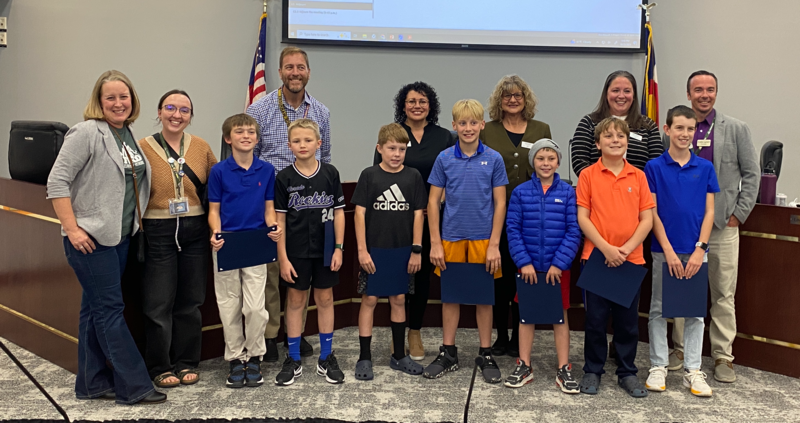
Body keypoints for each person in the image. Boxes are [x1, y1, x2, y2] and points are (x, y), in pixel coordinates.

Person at [46, 70, 165, 405]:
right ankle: (135, 386)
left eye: (123, 97)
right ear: (99, 102)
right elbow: (57, 183)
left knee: (94, 310)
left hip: (121, 237)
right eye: (110, 97)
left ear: (133, 101)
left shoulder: (127, 133)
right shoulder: (86, 132)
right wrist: (72, 229)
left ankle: (92, 383)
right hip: (89, 240)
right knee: (111, 310)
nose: (118, 103)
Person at [669, 71, 759, 383]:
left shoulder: (735, 129)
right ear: (688, 92)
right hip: (685, 228)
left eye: (710, 89)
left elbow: (752, 174)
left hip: (722, 227)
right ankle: (679, 350)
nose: (704, 95)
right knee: (682, 289)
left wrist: (739, 214)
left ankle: (723, 356)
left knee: (722, 293)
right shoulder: (679, 127)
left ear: (716, 93)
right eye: (698, 90)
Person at [247, 46, 331, 359]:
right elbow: (251, 159)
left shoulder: (321, 112)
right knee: (271, 272)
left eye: (300, 67)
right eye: (289, 67)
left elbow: (327, 157)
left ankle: (296, 333)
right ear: (280, 72)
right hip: (272, 202)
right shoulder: (261, 109)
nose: (295, 72)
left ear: (308, 71)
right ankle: (270, 335)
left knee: (302, 273)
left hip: (309, 204)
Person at [423, 100, 508, 383]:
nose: (468, 128)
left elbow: (500, 203)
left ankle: (485, 352)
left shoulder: (494, 159)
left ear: (482, 125)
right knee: (451, 297)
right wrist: (435, 242)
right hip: (451, 239)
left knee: (485, 299)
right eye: (463, 123)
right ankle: (448, 352)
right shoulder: (444, 158)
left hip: (484, 240)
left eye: (474, 123)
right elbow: (433, 202)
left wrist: (495, 243)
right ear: (454, 126)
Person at [137, 89, 217, 388]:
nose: (176, 114)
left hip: (195, 229)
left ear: (190, 116)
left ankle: (187, 362)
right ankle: (160, 365)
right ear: (158, 112)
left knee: (191, 301)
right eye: (170, 107)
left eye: (184, 110)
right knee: (158, 303)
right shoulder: (142, 147)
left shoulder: (201, 147)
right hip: (157, 230)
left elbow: (216, 187)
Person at [373, 81, 455, 360]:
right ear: (403, 105)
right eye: (411, 101)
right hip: (394, 215)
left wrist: (435, 201)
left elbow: (452, 174)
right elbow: (379, 175)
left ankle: (415, 331)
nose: (417, 106)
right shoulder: (394, 134)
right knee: (397, 272)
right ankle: (397, 330)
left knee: (421, 276)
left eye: (422, 101)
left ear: (430, 106)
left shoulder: (444, 136)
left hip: (431, 215)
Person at [576, 117, 654, 398]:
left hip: (630, 261)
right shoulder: (587, 175)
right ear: (597, 144)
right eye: (608, 136)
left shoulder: (639, 176)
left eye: (621, 136)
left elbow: (647, 219)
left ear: (627, 142)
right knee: (595, 321)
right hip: (596, 259)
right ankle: (593, 370)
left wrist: (626, 249)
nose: (615, 140)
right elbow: (583, 218)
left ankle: (627, 372)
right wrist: (606, 249)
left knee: (627, 322)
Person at [644, 106, 719, 397]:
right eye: (679, 128)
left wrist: (700, 249)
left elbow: (710, 211)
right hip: (665, 251)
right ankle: (658, 366)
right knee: (659, 309)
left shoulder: (705, 168)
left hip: (697, 250)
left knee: (694, 313)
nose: (685, 134)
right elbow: (652, 212)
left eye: (690, 129)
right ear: (667, 129)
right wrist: (668, 250)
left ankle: (692, 370)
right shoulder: (654, 167)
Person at [207, 114, 281, 388]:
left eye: (251, 132)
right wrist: (215, 234)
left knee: (255, 307)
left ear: (257, 139)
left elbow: (269, 208)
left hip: (256, 243)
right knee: (229, 304)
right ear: (229, 138)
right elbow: (214, 211)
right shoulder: (219, 171)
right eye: (239, 132)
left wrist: (273, 226)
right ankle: (236, 358)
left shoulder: (266, 170)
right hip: (226, 244)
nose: (246, 136)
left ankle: (255, 356)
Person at [481, 74, 553, 357]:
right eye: (507, 95)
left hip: (531, 216)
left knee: (524, 276)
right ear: (499, 101)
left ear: (526, 100)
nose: (513, 100)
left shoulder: (541, 128)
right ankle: (501, 336)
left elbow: (548, 166)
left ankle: (520, 335)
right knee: (500, 278)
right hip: (495, 215)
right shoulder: (487, 130)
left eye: (518, 95)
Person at [503, 139, 581, 393]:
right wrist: (523, 262)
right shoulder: (521, 192)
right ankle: (524, 365)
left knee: (560, 317)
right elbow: (512, 229)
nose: (545, 163)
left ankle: (563, 368)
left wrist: (559, 264)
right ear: (532, 162)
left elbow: (573, 231)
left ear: (558, 162)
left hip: (558, 271)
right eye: (540, 158)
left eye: (550, 158)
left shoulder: (569, 193)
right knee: (526, 317)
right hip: (528, 269)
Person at [274, 118, 346, 386]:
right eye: (296, 141)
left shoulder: (330, 173)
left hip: (326, 249)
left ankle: (326, 357)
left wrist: (339, 248)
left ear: (318, 143)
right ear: (289, 144)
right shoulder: (284, 178)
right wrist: (282, 257)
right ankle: (293, 358)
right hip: (295, 252)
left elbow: (339, 214)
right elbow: (279, 222)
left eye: (307, 140)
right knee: (295, 301)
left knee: (325, 299)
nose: (302, 145)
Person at [354, 123, 427, 380]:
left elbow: (419, 214)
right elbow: (359, 214)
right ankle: (364, 357)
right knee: (370, 300)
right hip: (374, 250)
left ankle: (398, 355)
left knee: (398, 299)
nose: (397, 154)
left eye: (402, 149)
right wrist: (362, 251)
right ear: (380, 149)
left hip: (403, 250)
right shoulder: (369, 175)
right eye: (391, 148)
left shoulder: (413, 176)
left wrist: (417, 250)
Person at [571, 70, 663, 176]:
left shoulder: (648, 125)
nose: (621, 96)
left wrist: (635, 184)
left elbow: (655, 164)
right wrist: (601, 183)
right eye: (615, 90)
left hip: (637, 189)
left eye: (627, 91)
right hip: (596, 189)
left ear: (634, 96)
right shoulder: (589, 123)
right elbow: (579, 161)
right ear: (606, 94)